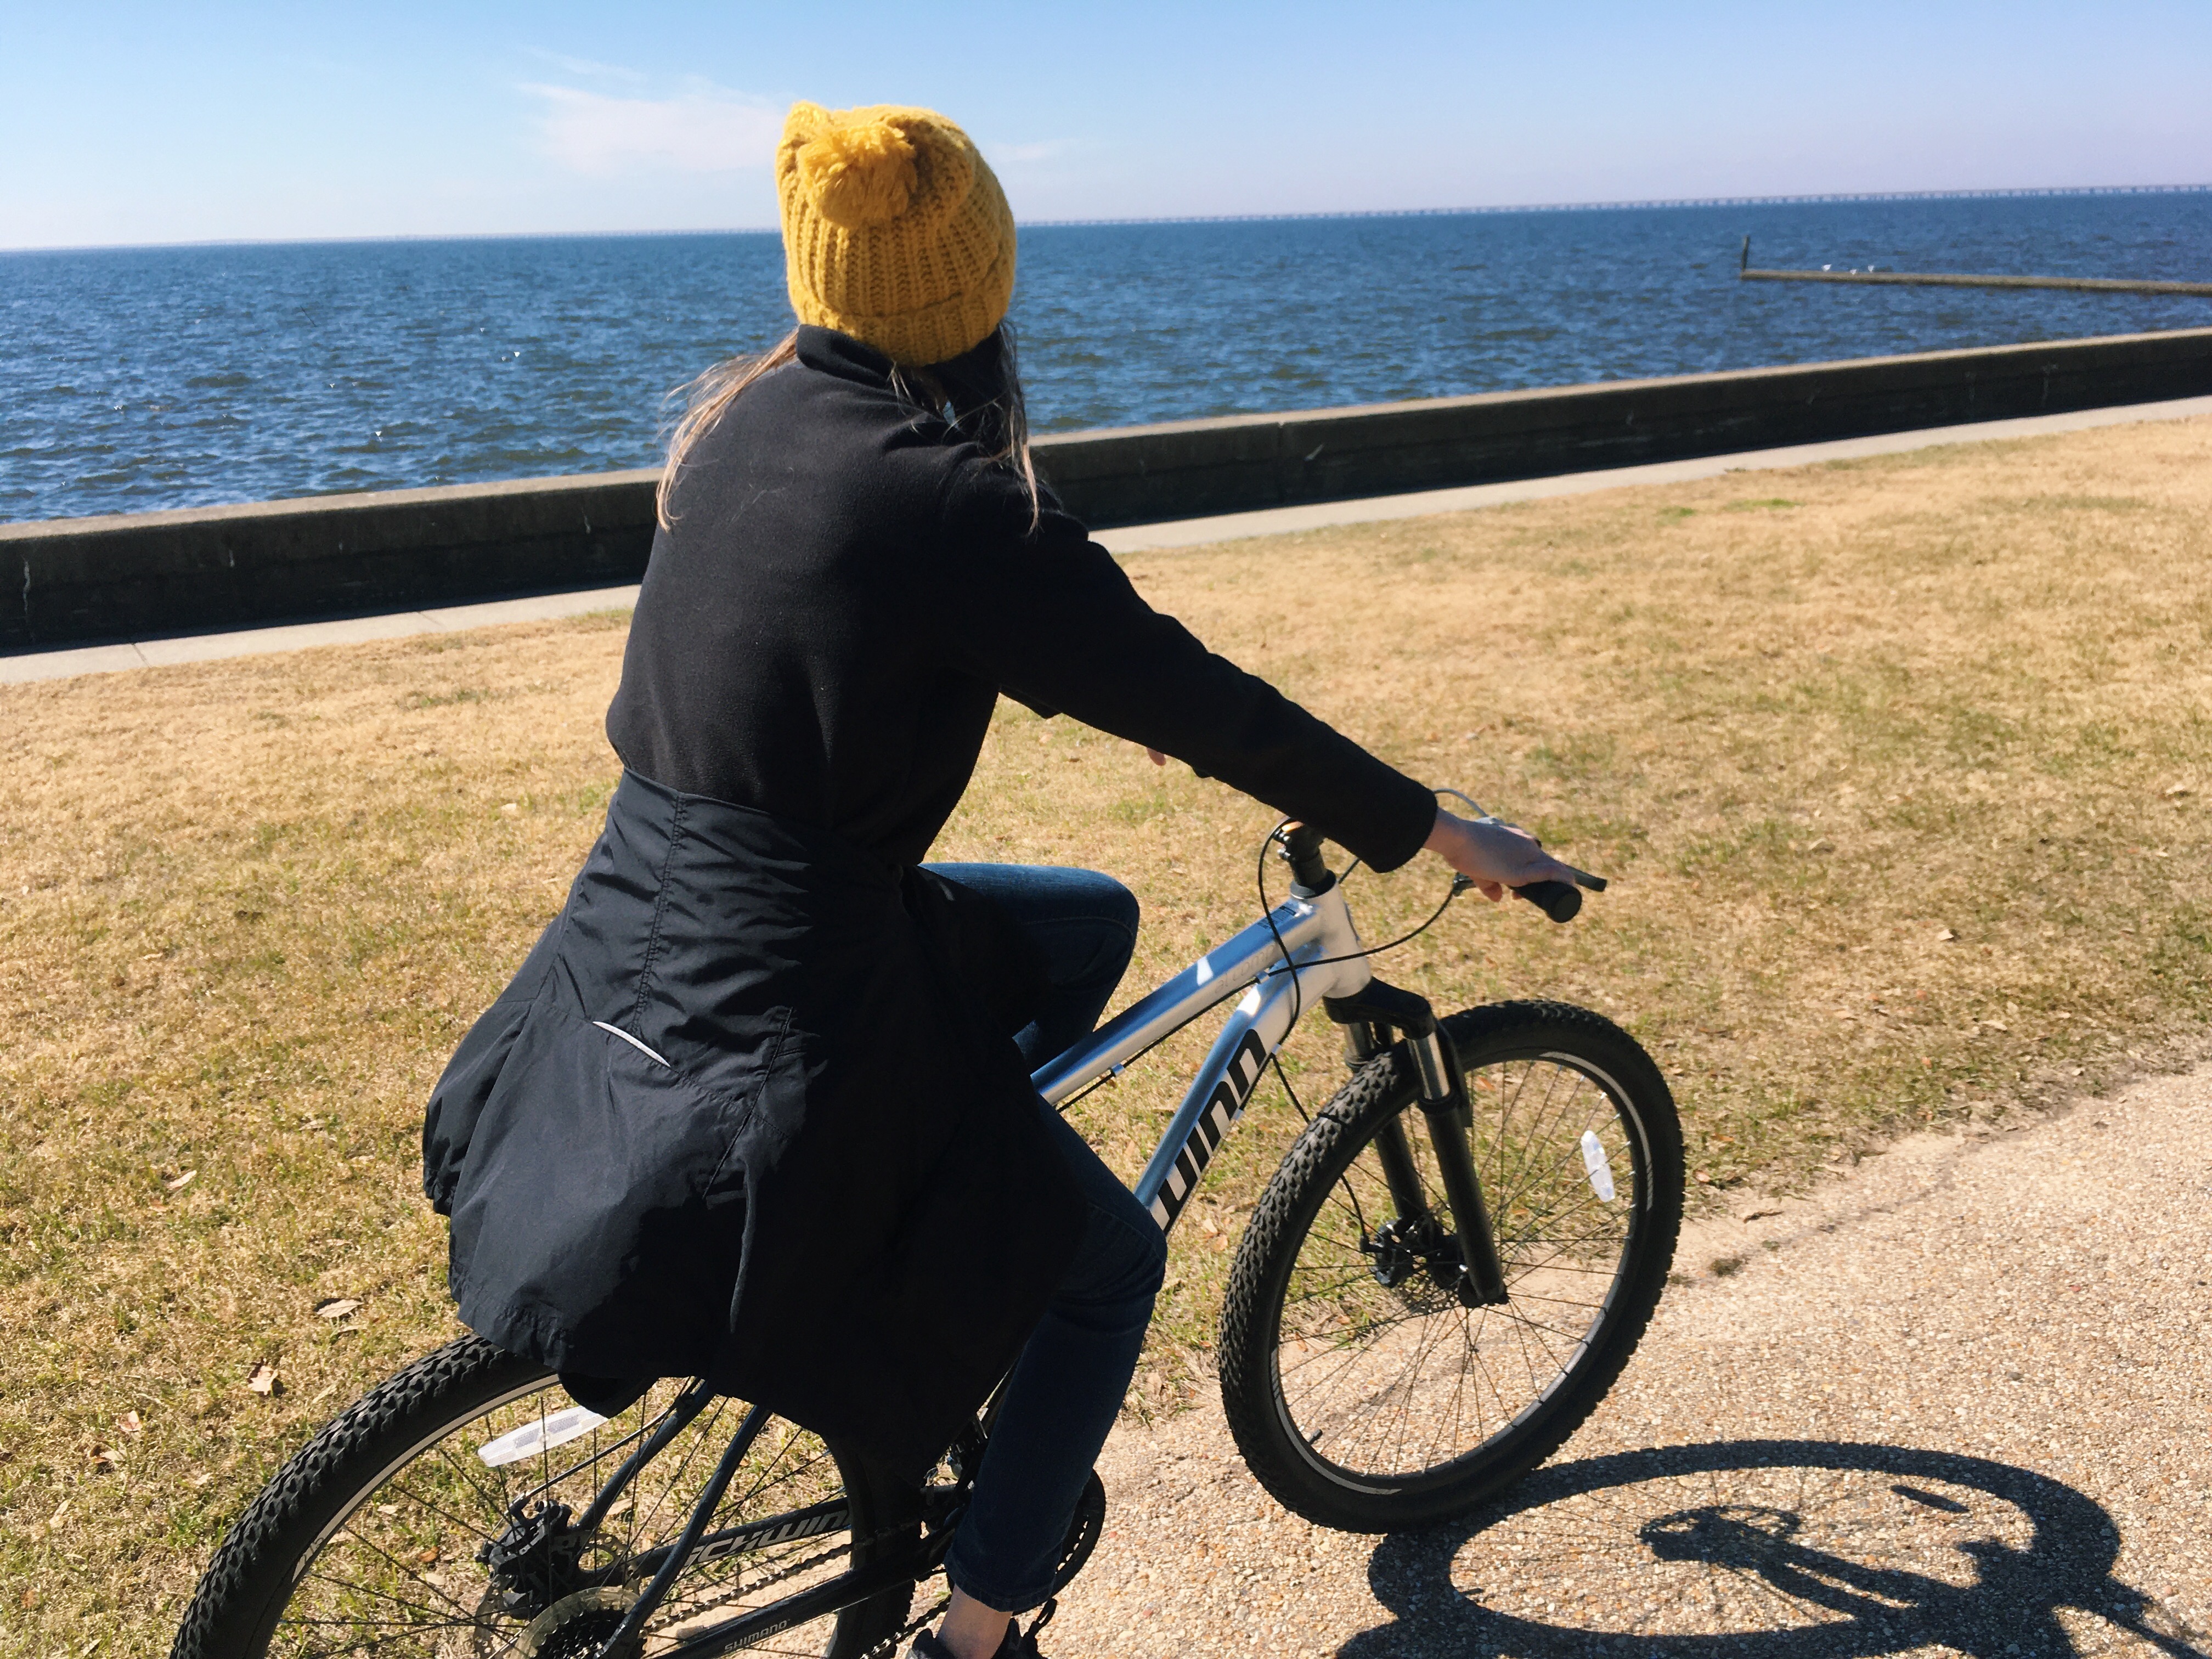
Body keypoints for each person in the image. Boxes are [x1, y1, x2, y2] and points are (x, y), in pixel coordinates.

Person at [420, 100, 1581, 1659]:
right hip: (789, 1000)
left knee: (1088, 920)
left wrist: (1115, 695)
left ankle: (943, 1247)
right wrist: (1437, 827)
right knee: (1110, 1271)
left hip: (636, 915)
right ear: (980, 290)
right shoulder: (962, 501)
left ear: (819, 278)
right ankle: (971, 1640)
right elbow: (1205, 695)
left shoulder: (740, 423)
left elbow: (845, 648)